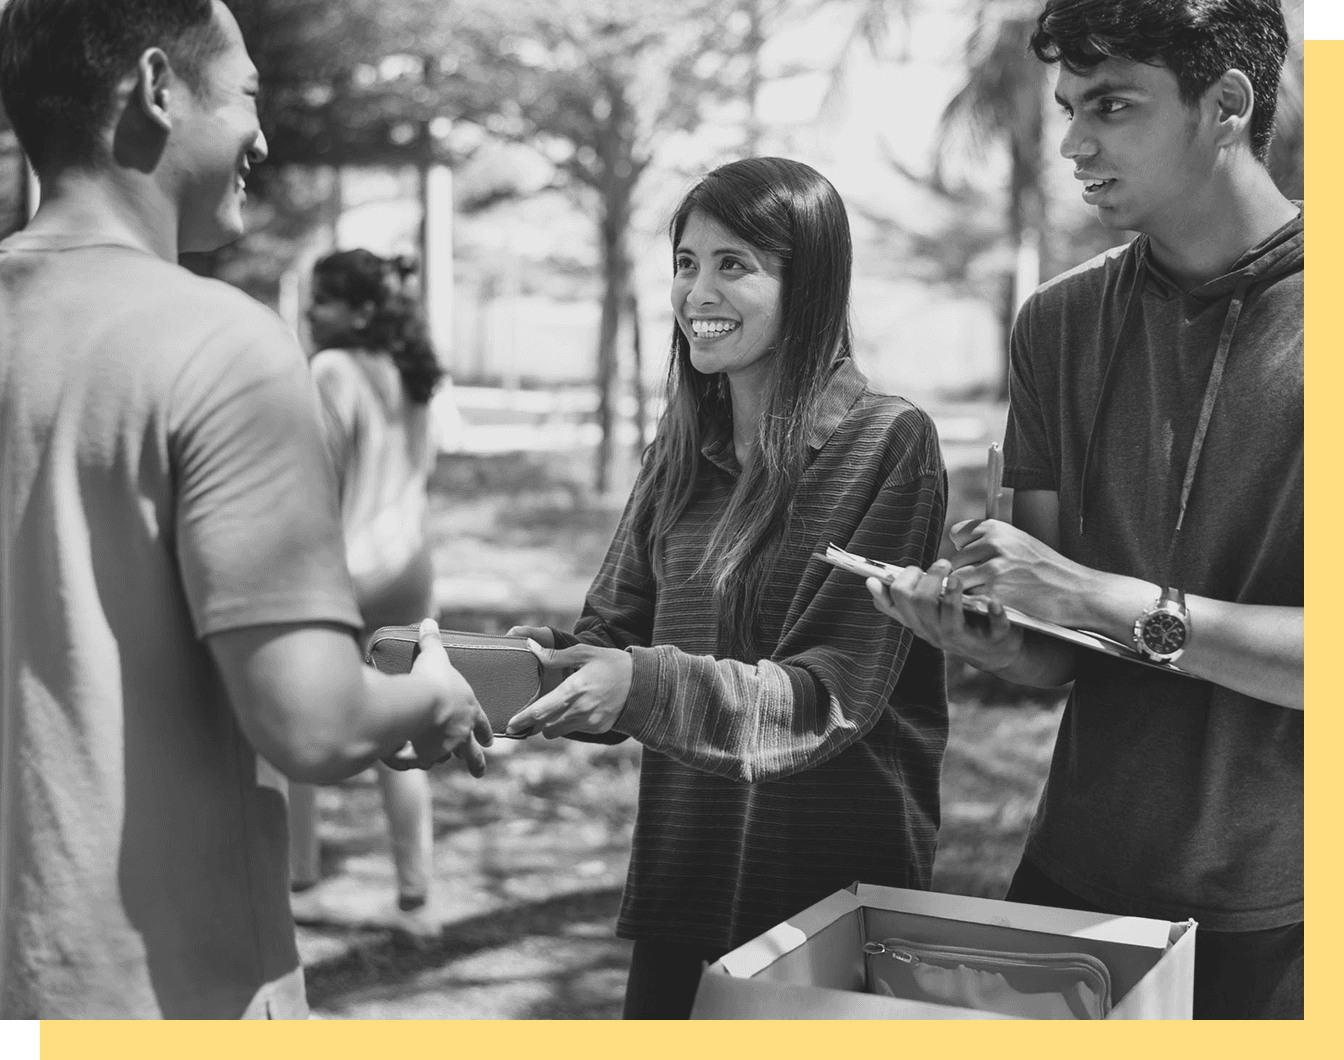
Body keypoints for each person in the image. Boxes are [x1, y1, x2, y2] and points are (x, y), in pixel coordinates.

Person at [0, 0, 492, 1018]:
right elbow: (309, 717)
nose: (262, 139)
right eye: (248, 98)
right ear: (156, 89)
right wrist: (430, 697)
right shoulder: (221, 343)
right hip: (165, 989)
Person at [866, 0, 1302, 1019]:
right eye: (1068, 108)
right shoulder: (1056, 326)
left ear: (1226, 105)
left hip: (1289, 915)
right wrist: (981, 629)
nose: (1072, 143)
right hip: (1075, 885)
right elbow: (1055, 650)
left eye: (1110, 106)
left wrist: (1103, 598)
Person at [504, 157, 950, 1019]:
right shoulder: (676, 451)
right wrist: (485, 675)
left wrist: (639, 684)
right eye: (685, 262)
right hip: (685, 883)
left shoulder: (888, 443)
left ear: (809, 281)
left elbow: (830, 697)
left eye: (733, 264)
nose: (696, 290)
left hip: (832, 904)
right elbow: (608, 640)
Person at [287, 249, 444, 934]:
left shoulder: (330, 370)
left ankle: (296, 874)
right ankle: (417, 899)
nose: (307, 311)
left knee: (294, 724)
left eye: (319, 300)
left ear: (357, 309)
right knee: (402, 738)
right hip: (411, 570)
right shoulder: (414, 374)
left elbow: (318, 483)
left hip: (344, 572)